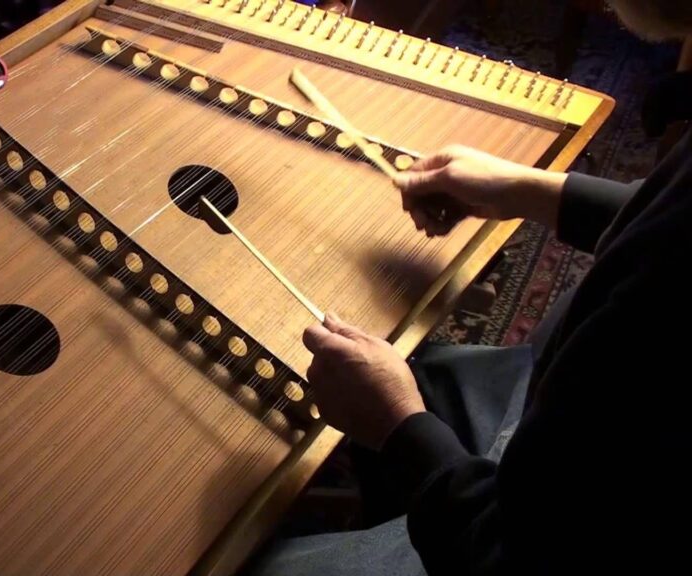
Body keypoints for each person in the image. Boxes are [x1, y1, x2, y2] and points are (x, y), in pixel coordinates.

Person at [246, 1, 692, 574]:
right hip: (570, 420)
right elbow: (670, 211)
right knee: (416, 363)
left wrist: (400, 426)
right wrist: (528, 190)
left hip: (536, 529)